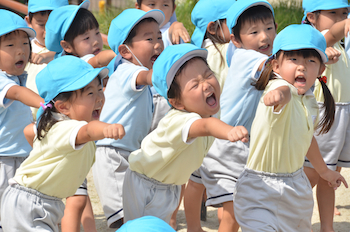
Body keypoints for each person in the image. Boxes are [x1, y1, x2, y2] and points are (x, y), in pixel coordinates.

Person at [233, 24, 348, 232]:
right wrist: (278, 96)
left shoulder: (310, 101)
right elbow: (283, 91)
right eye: (293, 59)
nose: (301, 67)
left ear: (321, 69)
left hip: (296, 189)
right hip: (260, 186)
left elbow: (307, 139)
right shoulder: (278, 87)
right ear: (276, 66)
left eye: (310, 60)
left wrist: (324, 171)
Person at [122, 43, 249, 225]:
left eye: (208, 75)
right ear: (177, 103)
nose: (206, 85)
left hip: (169, 185)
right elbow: (206, 126)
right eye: (195, 85)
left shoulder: (209, 111)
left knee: (158, 227)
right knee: (142, 228)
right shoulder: (180, 120)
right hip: (145, 185)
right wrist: (230, 131)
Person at [0, 55, 124, 232]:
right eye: (90, 93)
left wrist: (42, 152)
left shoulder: (54, 126)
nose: (99, 98)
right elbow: (88, 130)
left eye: (100, 89)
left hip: (41, 201)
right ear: (63, 107)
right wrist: (106, 129)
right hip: (30, 203)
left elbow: (29, 130)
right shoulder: (67, 128)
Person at [185, 1, 277, 231]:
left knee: (198, 183)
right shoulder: (248, 58)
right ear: (236, 39)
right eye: (254, 32)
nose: (264, 37)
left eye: (269, 28)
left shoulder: (238, 51)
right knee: (233, 213)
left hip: (219, 135)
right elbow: (279, 68)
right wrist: (310, 54)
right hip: (229, 145)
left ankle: (194, 226)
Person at [44, 1, 115, 231]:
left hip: (70, 141)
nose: (95, 40)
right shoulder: (79, 66)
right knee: (75, 199)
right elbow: (97, 60)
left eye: (96, 33)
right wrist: (123, 49)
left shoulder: (65, 63)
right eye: (86, 37)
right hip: (69, 140)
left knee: (79, 193)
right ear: (67, 46)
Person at [94, 8, 165, 228]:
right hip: (112, 154)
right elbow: (149, 77)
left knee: (133, 217)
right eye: (149, 38)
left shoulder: (133, 70)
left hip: (128, 154)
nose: (158, 44)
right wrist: (173, 69)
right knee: (122, 217)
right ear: (125, 51)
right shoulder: (128, 71)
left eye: (160, 37)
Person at [184, 0, 235, 231]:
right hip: (219, 130)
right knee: (228, 185)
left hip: (203, 129)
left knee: (196, 181)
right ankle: (224, 220)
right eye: (235, 23)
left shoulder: (202, 51)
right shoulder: (224, 51)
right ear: (214, 28)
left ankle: (193, 225)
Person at [302, 0, 350, 230]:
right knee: (311, 174)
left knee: (331, 176)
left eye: (345, 12)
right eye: (334, 13)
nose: (341, 17)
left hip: (343, 113)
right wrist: (342, 27)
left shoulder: (339, 45)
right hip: (325, 113)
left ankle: (327, 227)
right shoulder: (317, 41)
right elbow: (328, 35)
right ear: (312, 17)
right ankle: (289, 218)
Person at [0, 9, 44, 232]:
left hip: (22, 155)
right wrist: (45, 105)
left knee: (16, 212)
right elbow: (16, 93)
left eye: (25, 44)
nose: (21, 51)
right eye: (10, 45)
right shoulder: (3, 81)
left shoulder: (17, 76)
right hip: (3, 159)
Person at [24, 0, 68, 120]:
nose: (48, 31)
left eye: (55, 25)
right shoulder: (24, 49)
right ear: (29, 22)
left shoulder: (71, 50)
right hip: (24, 120)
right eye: (41, 24)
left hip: (58, 120)